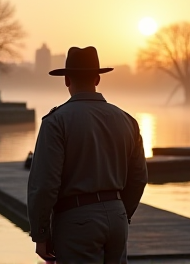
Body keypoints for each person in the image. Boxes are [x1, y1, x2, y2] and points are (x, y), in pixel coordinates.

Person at [27, 46, 148, 264]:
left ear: (66, 80)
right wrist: (121, 212)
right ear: (97, 79)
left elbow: (45, 184)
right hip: (117, 217)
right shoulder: (127, 120)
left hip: (77, 220)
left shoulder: (56, 122)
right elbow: (139, 177)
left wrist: (41, 233)